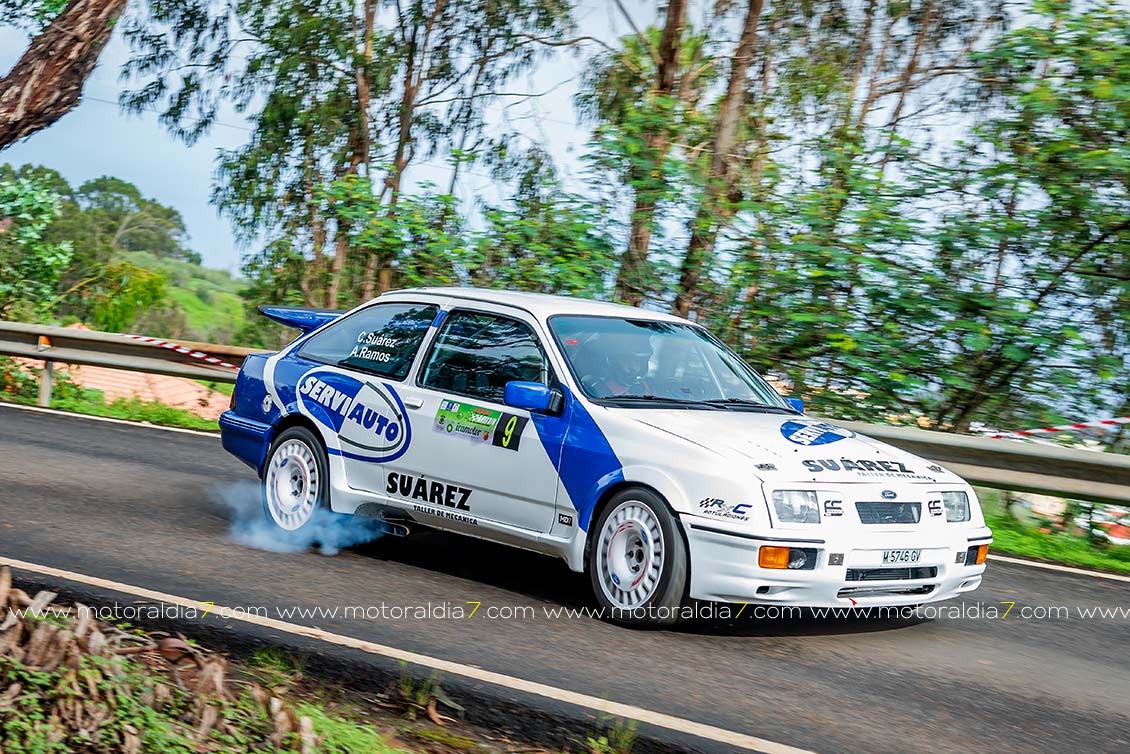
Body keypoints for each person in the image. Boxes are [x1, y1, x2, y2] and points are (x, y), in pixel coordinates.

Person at [576, 331, 653, 397]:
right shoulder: (594, 390)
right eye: (627, 360)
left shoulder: (651, 388)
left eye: (637, 361)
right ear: (615, 360)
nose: (633, 366)